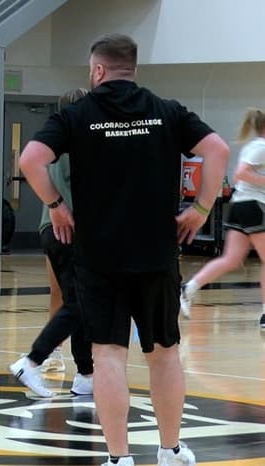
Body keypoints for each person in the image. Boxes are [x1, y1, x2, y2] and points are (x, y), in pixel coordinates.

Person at [19, 34, 229, 466]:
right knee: (164, 354)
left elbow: (30, 159)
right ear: (132, 69)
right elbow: (217, 150)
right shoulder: (166, 110)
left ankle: (119, 458)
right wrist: (201, 209)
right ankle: (170, 449)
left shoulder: (77, 114)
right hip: (157, 253)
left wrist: (56, 206)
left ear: (97, 70)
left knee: (108, 355)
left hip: (99, 256)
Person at [9, 88, 93, 398]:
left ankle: (86, 375)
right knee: (79, 303)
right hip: (67, 228)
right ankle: (31, 362)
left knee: (79, 302)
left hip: (52, 227)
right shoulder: (77, 142)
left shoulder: (55, 140)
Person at [180, 108, 265, 329]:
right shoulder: (261, 147)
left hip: (240, 206)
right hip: (253, 207)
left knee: (231, 259)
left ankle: (188, 288)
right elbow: (240, 173)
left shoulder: (255, 146)